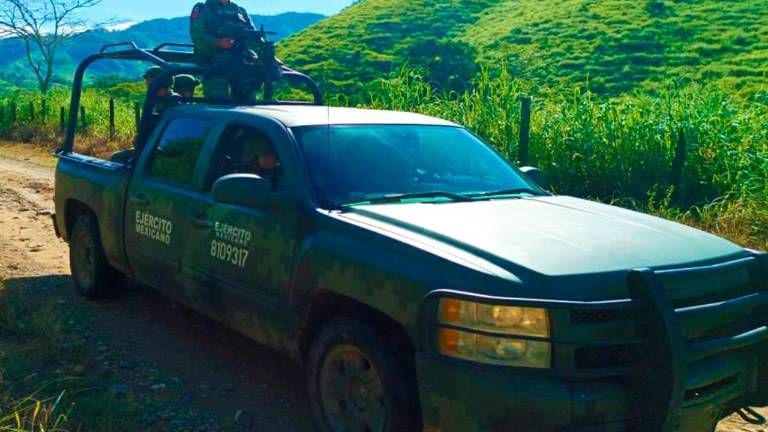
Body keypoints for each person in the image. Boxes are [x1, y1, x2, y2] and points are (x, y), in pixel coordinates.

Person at [189, 0, 263, 100]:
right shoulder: (202, 9)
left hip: (242, 64)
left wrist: (264, 50)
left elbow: (253, 36)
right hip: (215, 66)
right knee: (218, 105)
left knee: (248, 106)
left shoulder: (239, 10)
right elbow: (197, 36)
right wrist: (217, 42)